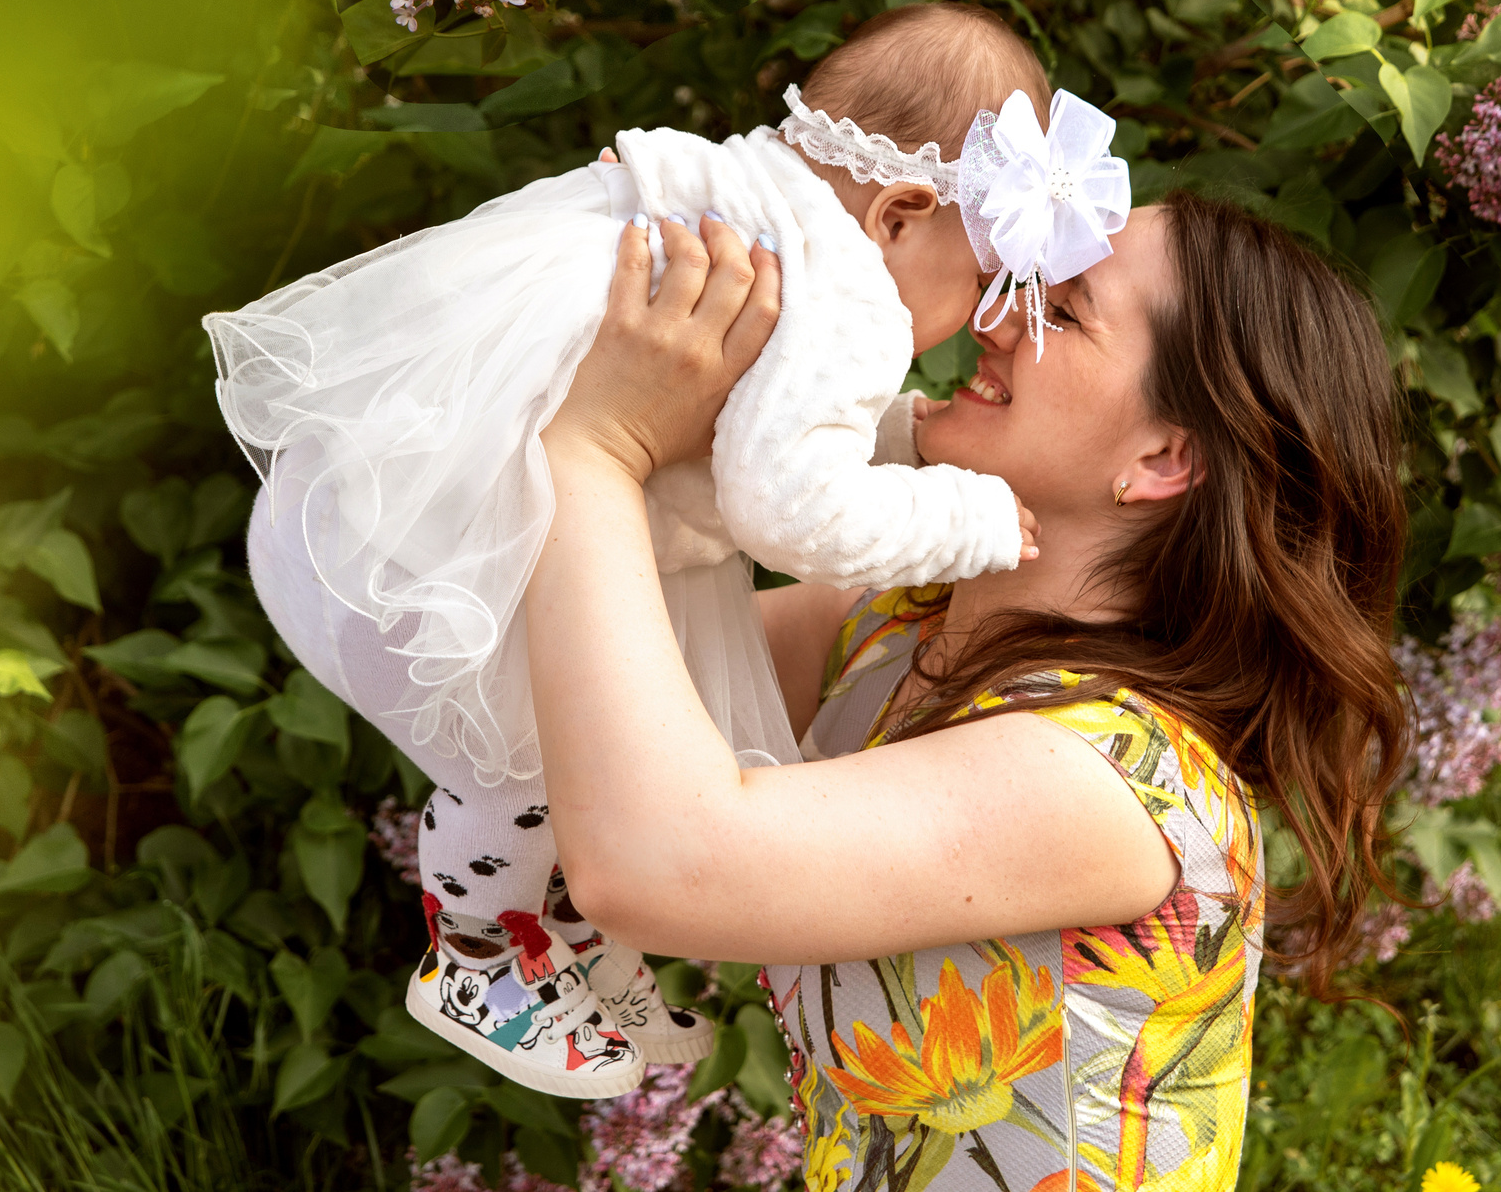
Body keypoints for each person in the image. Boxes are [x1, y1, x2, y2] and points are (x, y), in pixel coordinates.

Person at [205, 4, 1101, 1096]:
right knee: (546, 744)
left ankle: (565, 934)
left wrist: (903, 434)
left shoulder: (741, 188)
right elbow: (786, 507)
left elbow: (754, 409)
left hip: (389, 488)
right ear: (901, 215)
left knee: (613, 710)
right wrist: (961, 514)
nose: (978, 322)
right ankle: (481, 954)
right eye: (986, 280)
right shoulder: (854, 299)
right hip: (471, 547)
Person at [525, 191, 1413, 1189]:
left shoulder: (1104, 775)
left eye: (1065, 309)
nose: (993, 314)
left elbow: (651, 862)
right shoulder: (898, 622)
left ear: (1162, 458)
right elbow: (555, 696)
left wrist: (593, 446)